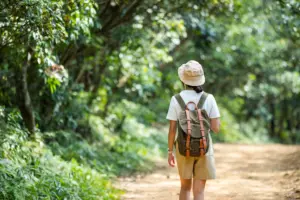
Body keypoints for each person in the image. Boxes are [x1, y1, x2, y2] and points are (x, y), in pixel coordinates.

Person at [166, 60, 221, 200]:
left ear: (183, 80)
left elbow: (172, 129)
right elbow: (216, 128)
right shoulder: (209, 98)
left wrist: (170, 151)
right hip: (204, 147)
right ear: (200, 80)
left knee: (185, 187)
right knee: (200, 192)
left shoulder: (176, 99)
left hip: (183, 148)